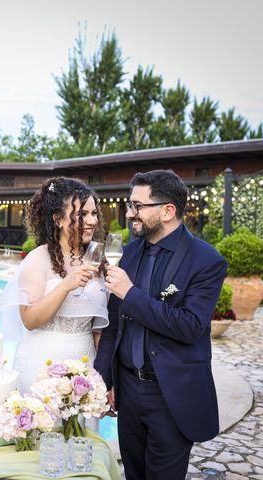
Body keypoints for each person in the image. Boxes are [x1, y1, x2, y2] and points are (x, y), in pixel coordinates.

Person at [94, 170, 227, 479]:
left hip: (171, 395)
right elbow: (114, 323)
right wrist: (106, 381)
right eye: (130, 204)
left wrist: (130, 293)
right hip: (127, 389)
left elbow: (190, 326)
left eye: (138, 206)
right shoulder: (128, 252)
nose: (129, 214)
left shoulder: (207, 261)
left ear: (168, 211)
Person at [0, 176, 109, 393]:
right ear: (58, 219)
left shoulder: (97, 258)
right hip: (42, 363)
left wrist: (104, 375)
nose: (92, 221)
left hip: (85, 364)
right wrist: (66, 285)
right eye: (82, 214)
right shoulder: (38, 259)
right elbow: (29, 319)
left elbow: (99, 329)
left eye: (94, 213)